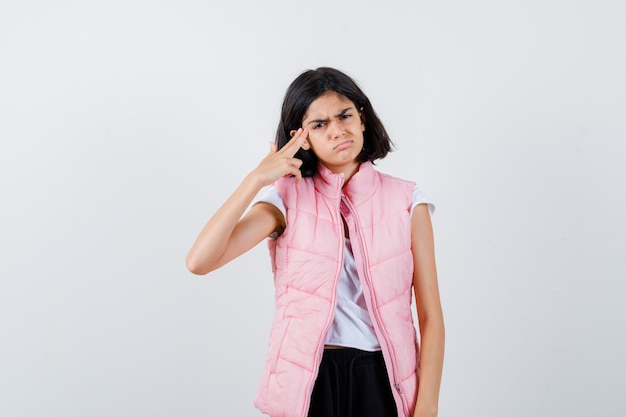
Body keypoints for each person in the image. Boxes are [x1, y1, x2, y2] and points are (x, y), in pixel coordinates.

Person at [186, 67, 444, 417]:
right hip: (308, 381)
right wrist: (257, 178)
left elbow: (429, 315)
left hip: (384, 380)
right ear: (302, 137)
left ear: (363, 119)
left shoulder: (407, 200)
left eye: (345, 115)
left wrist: (427, 405)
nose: (338, 130)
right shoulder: (287, 199)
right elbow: (200, 261)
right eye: (319, 124)